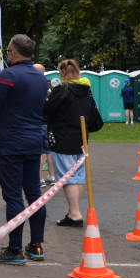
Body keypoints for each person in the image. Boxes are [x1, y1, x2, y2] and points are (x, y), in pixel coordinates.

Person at [0, 34, 49, 266]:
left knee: (14, 196)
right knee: (35, 194)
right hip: (34, 141)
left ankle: (15, 250)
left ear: (13, 53)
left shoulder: (8, 74)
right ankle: (36, 245)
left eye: (7, 52)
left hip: (11, 143)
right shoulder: (40, 77)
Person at [43, 59, 98, 228]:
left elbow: (46, 111)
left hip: (63, 138)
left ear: (61, 73)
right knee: (77, 176)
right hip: (81, 138)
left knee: (68, 177)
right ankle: (73, 211)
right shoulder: (85, 90)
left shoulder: (62, 91)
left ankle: (75, 213)